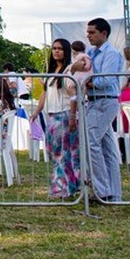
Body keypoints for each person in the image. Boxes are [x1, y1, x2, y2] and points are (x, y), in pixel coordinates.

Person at [33, 38, 79, 198]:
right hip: (51, 115)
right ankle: (63, 185)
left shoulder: (68, 71)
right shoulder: (52, 71)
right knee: (55, 152)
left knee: (64, 153)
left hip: (64, 114)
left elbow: (74, 96)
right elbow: (44, 94)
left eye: (59, 48)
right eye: (54, 48)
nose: (56, 51)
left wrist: (73, 116)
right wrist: (36, 112)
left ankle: (66, 187)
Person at [84, 18, 123, 203]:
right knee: (108, 149)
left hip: (105, 101)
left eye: (92, 32)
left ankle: (103, 190)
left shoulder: (111, 54)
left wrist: (88, 82)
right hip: (94, 100)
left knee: (92, 142)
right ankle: (113, 193)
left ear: (104, 34)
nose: (88, 35)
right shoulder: (91, 53)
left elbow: (105, 80)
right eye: (88, 32)